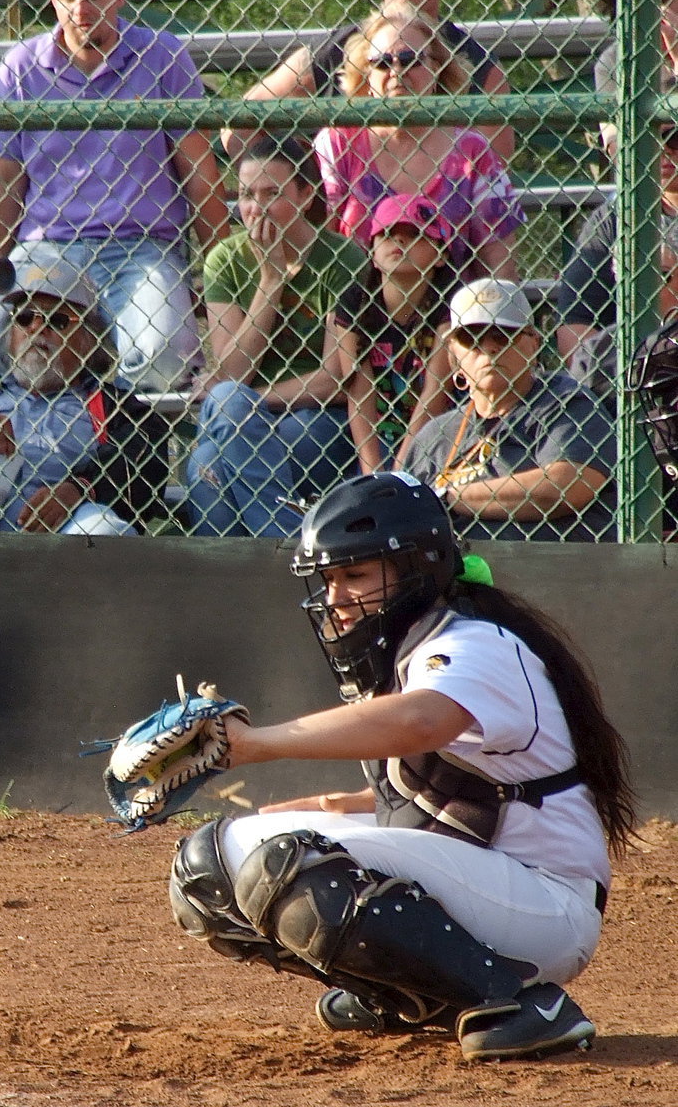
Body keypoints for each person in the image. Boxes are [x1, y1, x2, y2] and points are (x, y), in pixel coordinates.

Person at [168, 470, 636, 1061]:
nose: (336, 598)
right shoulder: (413, 648)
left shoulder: (473, 642)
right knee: (206, 868)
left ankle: (519, 1003)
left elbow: (423, 723)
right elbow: (472, 782)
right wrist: (349, 805)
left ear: (416, 568)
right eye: (328, 580)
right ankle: (409, 992)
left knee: (292, 864)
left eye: (355, 575)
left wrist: (255, 743)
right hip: (488, 884)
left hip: (544, 905)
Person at [0, 0, 228, 393]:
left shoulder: (162, 55)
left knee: (163, 360)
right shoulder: (21, 66)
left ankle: (114, 431)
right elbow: (4, 177)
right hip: (47, 246)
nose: (80, 8)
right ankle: (51, 442)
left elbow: (199, 169)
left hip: (140, 245)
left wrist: (227, 276)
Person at [221, 0, 514, 165]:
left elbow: (493, 171)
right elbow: (237, 129)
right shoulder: (340, 49)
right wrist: (306, 184)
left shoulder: (480, 66)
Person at [186, 136, 365, 537]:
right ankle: (280, 546)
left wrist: (247, 405)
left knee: (212, 457)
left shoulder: (344, 259)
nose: (256, 208)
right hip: (244, 413)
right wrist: (270, 281)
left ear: (305, 196)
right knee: (207, 463)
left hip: (316, 418)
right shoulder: (226, 260)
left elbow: (336, 377)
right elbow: (235, 369)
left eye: (272, 193)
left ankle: (240, 575)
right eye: (248, 194)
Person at [404, 278, 616, 541]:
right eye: (472, 339)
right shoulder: (435, 435)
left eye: (503, 335)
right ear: (452, 357)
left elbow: (566, 486)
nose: (489, 348)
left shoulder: (565, 402)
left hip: (555, 570)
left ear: (534, 344)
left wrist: (452, 497)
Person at [313, 5, 525, 260]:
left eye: (410, 59)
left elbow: (499, 258)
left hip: (452, 296)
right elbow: (319, 245)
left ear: (436, 68)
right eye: (381, 63)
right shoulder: (338, 142)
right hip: (353, 296)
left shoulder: (471, 149)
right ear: (366, 75)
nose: (396, 72)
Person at [0, 252, 169, 535]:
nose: (36, 327)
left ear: (88, 340)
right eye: (24, 317)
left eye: (56, 320)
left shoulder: (113, 406)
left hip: (66, 526)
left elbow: (144, 458)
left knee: (106, 533)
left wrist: (80, 488)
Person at [335, 193, 456, 474]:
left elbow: (435, 393)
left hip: (438, 429)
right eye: (387, 234)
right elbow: (359, 393)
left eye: (415, 234)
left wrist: (401, 469)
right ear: (373, 255)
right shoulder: (355, 302)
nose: (400, 241)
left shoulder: (452, 303)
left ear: (441, 255)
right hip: (377, 433)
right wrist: (372, 471)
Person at [557, 125, 678, 371]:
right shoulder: (615, 218)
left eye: (673, 136)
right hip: (643, 367)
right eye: (648, 137)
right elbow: (576, 324)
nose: (663, 148)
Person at [594, 0, 678, 159]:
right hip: (653, 180)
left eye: (661, 2)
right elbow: (618, 152)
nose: (649, 17)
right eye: (637, 6)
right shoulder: (615, 60)